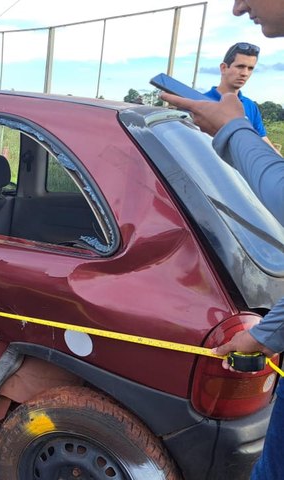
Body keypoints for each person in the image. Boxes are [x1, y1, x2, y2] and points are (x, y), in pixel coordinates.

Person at [162, 2, 284, 479]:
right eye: (240, 66)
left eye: (252, 69)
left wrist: (236, 133)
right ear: (224, 68)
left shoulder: (243, 111)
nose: (237, 6)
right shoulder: (206, 108)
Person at [205, 41, 279, 152]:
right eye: (240, 66)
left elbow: (262, 139)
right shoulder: (200, 102)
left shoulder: (250, 106)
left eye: (250, 68)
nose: (245, 73)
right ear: (223, 68)